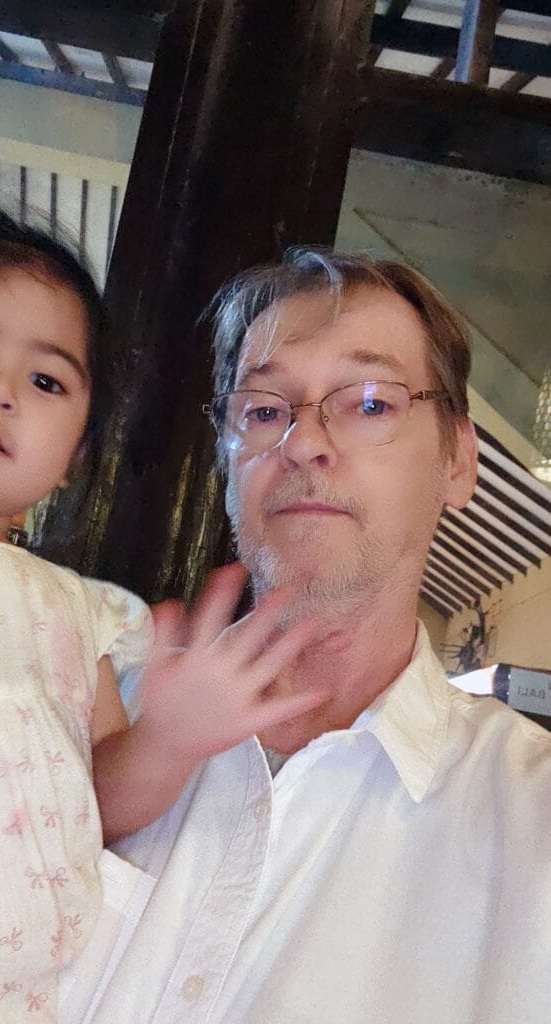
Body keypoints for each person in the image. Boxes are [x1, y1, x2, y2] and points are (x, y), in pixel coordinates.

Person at [0, 203, 323, 1024]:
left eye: (47, 381)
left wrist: (170, 738)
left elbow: (95, 803)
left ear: (73, 458)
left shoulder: (75, 611)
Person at [58, 248, 551, 1024]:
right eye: (263, 410)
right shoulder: (82, 714)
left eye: (370, 403)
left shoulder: (530, 818)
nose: (302, 441)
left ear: (459, 461)